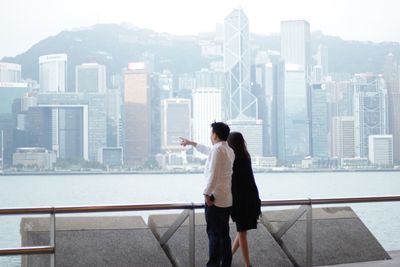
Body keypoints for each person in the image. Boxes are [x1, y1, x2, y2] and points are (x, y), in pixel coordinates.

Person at [180, 122, 235, 267]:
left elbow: (213, 174)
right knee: (224, 235)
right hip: (227, 199)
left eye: (211, 133)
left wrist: (206, 194)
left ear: (215, 135)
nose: (211, 136)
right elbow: (208, 150)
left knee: (214, 235)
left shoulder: (217, 151)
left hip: (215, 199)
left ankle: (213, 265)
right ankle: (226, 263)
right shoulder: (228, 150)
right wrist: (192, 143)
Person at [227, 132, 261, 267]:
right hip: (251, 196)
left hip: (240, 199)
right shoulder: (246, 156)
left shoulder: (232, 158)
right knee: (242, 231)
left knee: (242, 232)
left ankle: (248, 265)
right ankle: (227, 259)